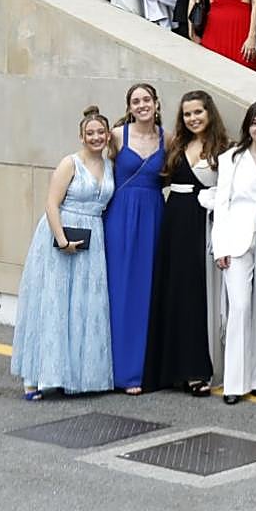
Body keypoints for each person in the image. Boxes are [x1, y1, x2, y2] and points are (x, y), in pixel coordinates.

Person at [10, 106, 114, 399]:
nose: (96, 137)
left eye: (101, 132)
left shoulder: (110, 166)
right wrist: (62, 239)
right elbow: (51, 203)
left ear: (108, 135)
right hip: (61, 234)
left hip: (93, 237)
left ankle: (77, 376)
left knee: (83, 305)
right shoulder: (70, 163)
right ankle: (35, 378)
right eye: (90, 133)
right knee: (53, 303)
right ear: (81, 136)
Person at [143, 91, 229, 395]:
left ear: (209, 113)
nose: (193, 118)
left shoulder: (223, 148)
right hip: (174, 222)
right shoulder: (176, 144)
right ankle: (171, 369)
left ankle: (196, 370)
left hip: (203, 222)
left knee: (197, 296)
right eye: (187, 114)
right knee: (174, 293)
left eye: (198, 112)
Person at [212, 101, 256, 404]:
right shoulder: (231, 158)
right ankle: (234, 382)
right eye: (255, 122)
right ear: (247, 126)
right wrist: (220, 246)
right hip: (235, 239)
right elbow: (221, 203)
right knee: (239, 307)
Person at [103, 84, 164, 395]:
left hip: (154, 215)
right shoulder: (116, 136)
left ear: (156, 103)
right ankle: (118, 370)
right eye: (136, 101)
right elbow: (95, 165)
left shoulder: (168, 138)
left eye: (146, 100)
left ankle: (144, 369)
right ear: (129, 107)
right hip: (120, 215)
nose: (142, 105)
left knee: (148, 290)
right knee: (120, 289)